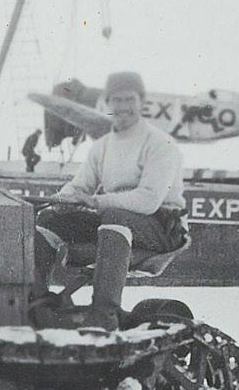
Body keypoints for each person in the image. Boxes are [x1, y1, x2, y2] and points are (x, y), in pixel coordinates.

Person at [33, 71, 186, 330]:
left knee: (114, 217)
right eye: (117, 100)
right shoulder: (102, 147)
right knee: (47, 219)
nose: (123, 107)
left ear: (142, 102)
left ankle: (104, 316)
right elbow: (79, 186)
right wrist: (56, 201)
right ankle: (38, 304)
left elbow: (148, 200)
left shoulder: (161, 144)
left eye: (129, 100)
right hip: (115, 219)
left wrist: (97, 202)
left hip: (162, 226)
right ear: (107, 103)